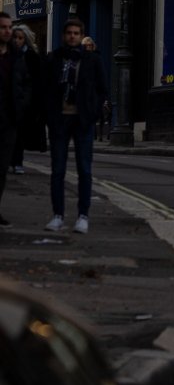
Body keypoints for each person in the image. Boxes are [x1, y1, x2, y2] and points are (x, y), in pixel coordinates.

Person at [43, 16, 107, 234]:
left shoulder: (92, 60)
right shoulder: (54, 59)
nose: (72, 36)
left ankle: (83, 216)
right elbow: (46, 89)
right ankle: (57, 215)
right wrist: (49, 117)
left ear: (81, 36)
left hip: (82, 121)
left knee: (84, 170)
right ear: (64, 35)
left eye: (76, 33)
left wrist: (92, 114)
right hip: (60, 120)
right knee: (58, 170)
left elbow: (101, 89)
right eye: (69, 33)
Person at [0, 14, 30, 222]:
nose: (7, 31)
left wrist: (21, 107)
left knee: (1, 170)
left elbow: (25, 84)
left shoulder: (16, 56)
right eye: (3, 27)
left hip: (8, 121)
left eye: (9, 27)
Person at [9, 24, 43, 172]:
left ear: (26, 40)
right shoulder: (6, 55)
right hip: (7, 101)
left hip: (23, 103)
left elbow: (36, 82)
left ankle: (18, 162)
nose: (17, 40)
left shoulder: (31, 57)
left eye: (20, 38)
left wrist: (28, 102)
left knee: (19, 134)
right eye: (15, 37)